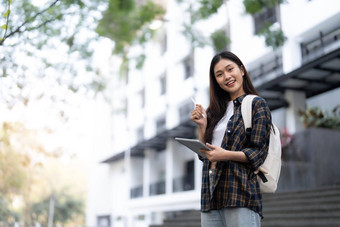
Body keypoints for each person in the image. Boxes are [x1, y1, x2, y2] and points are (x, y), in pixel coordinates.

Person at [190, 51, 272, 227]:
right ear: (216, 81)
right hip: (210, 194)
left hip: (240, 193)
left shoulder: (256, 104)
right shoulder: (215, 112)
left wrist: (225, 155)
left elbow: (258, 153)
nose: (226, 76)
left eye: (230, 69)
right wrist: (203, 126)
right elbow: (205, 155)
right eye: (219, 74)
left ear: (241, 70)